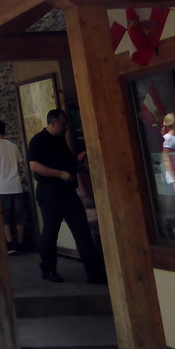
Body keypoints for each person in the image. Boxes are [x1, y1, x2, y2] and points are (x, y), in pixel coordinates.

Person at [27, 109, 106, 283]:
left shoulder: (61, 141)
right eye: (63, 125)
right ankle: (48, 269)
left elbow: (68, 162)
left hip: (68, 192)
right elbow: (34, 166)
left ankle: (94, 272)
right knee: (50, 232)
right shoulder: (38, 141)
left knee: (82, 230)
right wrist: (60, 174)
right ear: (53, 123)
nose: (66, 128)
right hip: (50, 192)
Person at [0, 120, 27, 254]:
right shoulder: (13, 146)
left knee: (4, 217)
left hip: (1, 186)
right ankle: (21, 243)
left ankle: (10, 243)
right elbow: (19, 164)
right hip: (16, 185)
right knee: (19, 217)